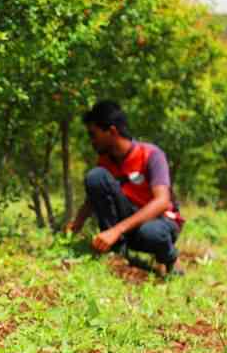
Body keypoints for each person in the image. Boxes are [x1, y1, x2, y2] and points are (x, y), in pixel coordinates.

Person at [66, 100, 184, 275]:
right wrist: (77, 223)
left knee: (152, 234)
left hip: (160, 221)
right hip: (129, 223)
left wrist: (116, 230)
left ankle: (169, 258)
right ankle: (116, 253)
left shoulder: (151, 155)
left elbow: (162, 201)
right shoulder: (105, 162)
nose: (92, 141)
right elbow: (93, 199)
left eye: (93, 134)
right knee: (95, 176)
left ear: (112, 131)